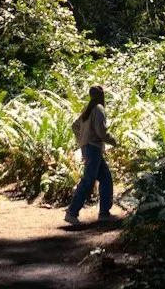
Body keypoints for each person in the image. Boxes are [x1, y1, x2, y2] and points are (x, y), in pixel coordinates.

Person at [65, 84, 115, 225]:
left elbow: (75, 126)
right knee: (88, 180)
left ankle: (104, 213)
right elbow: (101, 131)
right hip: (93, 148)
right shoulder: (98, 109)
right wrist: (113, 141)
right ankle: (72, 212)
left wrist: (82, 140)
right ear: (101, 95)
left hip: (88, 147)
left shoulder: (88, 109)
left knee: (105, 178)